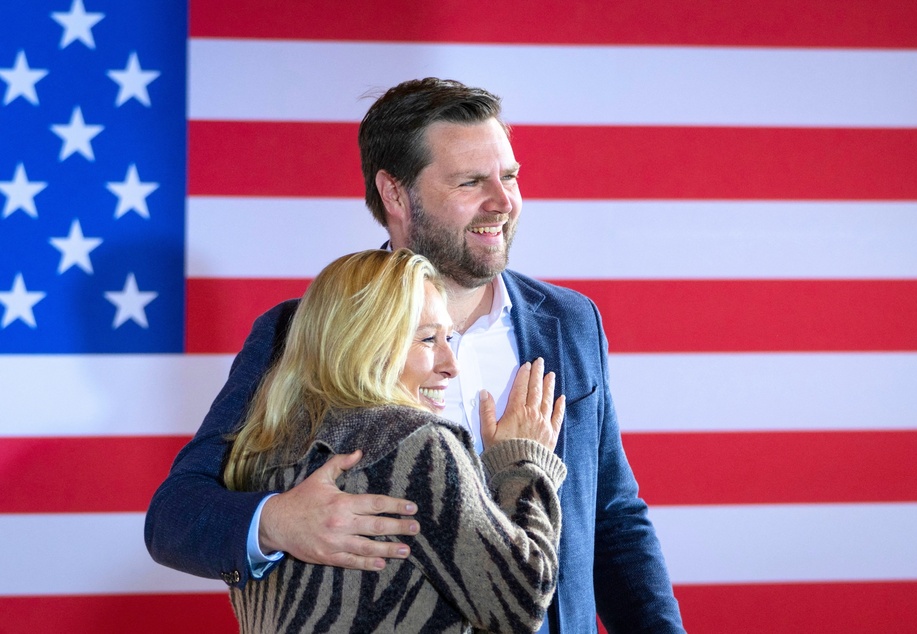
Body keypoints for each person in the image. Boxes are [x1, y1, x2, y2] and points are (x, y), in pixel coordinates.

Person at [146, 77, 685, 633]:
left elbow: (612, 519)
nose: (503, 202)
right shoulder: (298, 332)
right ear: (396, 194)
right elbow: (174, 516)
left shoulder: (570, 321)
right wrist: (276, 521)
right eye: (471, 181)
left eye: (510, 176)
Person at [226, 248, 566, 632]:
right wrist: (523, 463)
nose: (450, 365)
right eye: (426, 340)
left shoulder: (261, 443)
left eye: (447, 339)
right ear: (364, 343)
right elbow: (521, 603)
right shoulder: (418, 444)